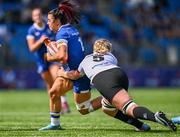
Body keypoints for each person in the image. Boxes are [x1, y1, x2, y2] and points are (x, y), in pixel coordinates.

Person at [40, 0, 151, 131]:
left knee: (83, 109)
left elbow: (63, 57)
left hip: (78, 74)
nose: (47, 23)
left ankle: (110, 98)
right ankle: (55, 124)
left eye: (49, 20)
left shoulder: (62, 33)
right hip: (70, 71)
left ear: (57, 21)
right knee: (53, 93)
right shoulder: (70, 29)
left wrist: (49, 56)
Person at [58, 38, 177, 131]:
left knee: (129, 107)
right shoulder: (111, 56)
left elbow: (75, 75)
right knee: (108, 108)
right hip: (119, 74)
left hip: (104, 79)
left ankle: (155, 116)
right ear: (108, 49)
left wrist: (62, 73)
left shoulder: (86, 59)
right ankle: (141, 126)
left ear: (94, 49)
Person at [26, 7, 71, 116]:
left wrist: (55, 45)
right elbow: (31, 48)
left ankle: (64, 102)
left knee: (57, 77)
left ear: (42, 15)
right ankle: (56, 107)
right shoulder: (31, 30)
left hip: (52, 58)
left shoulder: (49, 26)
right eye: (35, 15)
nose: (38, 17)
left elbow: (58, 38)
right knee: (50, 84)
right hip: (41, 60)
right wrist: (41, 41)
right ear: (32, 18)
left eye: (39, 14)